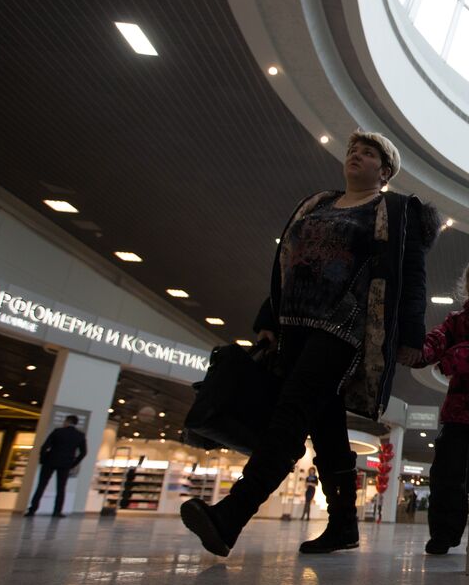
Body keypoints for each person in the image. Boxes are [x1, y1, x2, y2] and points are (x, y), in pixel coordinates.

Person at [181, 129, 438, 557]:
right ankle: (343, 526)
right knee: (326, 426)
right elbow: (290, 263)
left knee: (290, 414)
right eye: (353, 149)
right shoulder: (317, 203)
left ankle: (232, 515)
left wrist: (411, 335)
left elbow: (411, 275)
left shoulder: (394, 209)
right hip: (294, 326)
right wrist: (268, 319)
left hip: (343, 326)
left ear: (385, 171)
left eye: (368, 153)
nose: (356, 155)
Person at [412, 257, 469, 555]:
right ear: (466, 284)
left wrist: (455, 356)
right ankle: (443, 534)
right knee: (446, 474)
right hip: (457, 414)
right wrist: (416, 351)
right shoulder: (455, 321)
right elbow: (435, 342)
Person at [26, 414, 88, 517]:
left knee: (41, 485)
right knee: (61, 488)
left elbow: (44, 447)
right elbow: (83, 452)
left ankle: (32, 509)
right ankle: (57, 511)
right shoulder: (80, 435)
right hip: (66, 463)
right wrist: (73, 463)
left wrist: (43, 459)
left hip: (50, 461)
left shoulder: (58, 431)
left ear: (67, 421)